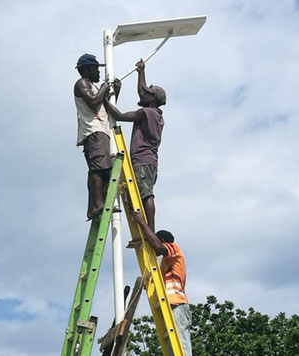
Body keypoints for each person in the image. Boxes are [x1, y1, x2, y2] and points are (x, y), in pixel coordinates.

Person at [104, 59, 165, 231]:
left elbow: (120, 115)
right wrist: (141, 72)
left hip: (143, 161)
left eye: (147, 93)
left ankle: (149, 229)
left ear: (152, 99)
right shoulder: (156, 114)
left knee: (146, 195)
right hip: (150, 161)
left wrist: (104, 99)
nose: (142, 94)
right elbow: (143, 92)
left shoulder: (146, 113)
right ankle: (147, 227)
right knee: (143, 193)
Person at [132, 210, 192, 356]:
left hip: (177, 304)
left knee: (181, 345)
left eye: (155, 240)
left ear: (163, 240)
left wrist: (142, 222)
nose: (153, 246)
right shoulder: (164, 263)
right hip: (170, 304)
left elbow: (158, 247)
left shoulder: (174, 248)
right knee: (172, 347)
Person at [74, 53, 120, 221]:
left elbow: (103, 106)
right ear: (85, 69)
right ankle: (97, 205)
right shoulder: (82, 84)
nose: (98, 72)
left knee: (103, 169)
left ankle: (96, 205)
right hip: (94, 131)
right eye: (95, 68)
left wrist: (113, 91)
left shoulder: (92, 86)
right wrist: (103, 89)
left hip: (101, 131)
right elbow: (93, 102)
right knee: (98, 169)